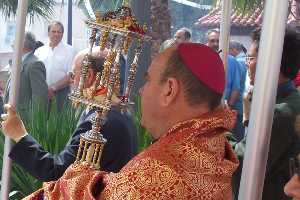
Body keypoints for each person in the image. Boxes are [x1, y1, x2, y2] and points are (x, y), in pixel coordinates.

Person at [22, 43, 239, 200]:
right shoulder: (212, 148)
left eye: (148, 80)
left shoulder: (158, 174)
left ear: (169, 90)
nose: (142, 91)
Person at [0, 50, 138, 182]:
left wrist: (20, 135)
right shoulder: (122, 112)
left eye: (72, 74)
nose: (72, 81)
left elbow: (57, 172)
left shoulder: (97, 121)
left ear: (88, 76)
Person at [232, 27, 300, 200]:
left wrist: (219, 129)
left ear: (270, 62)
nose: (247, 63)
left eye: (251, 58)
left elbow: (240, 166)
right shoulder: (289, 100)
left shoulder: (278, 113)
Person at [207, 30, 245, 141]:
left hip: (229, 113)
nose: (215, 43)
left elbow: (235, 88)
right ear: (207, 43)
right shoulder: (205, 60)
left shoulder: (232, 61)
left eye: (218, 41)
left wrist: (227, 110)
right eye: (212, 41)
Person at [35, 21, 76, 111]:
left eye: (59, 32)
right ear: (48, 33)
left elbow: (71, 75)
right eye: (53, 31)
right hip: (42, 93)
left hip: (61, 94)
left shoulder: (70, 51)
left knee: (59, 123)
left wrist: (53, 88)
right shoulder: (39, 51)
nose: (56, 34)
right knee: (41, 122)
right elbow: (35, 73)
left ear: (62, 34)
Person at [3, 32, 48, 114]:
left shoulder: (35, 64)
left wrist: (33, 124)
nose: (12, 41)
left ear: (22, 42)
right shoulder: (16, 62)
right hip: (12, 116)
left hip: (24, 120)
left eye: (15, 38)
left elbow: (40, 97)